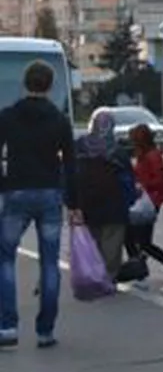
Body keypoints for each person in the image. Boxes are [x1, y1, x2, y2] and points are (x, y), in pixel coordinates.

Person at [0, 60, 80, 348]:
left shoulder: (7, 116)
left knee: (5, 257)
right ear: (50, 85)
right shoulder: (59, 120)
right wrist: (74, 203)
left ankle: (8, 326)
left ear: (25, 83)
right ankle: (45, 331)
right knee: (49, 262)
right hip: (49, 193)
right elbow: (70, 164)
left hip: (16, 191)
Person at [75, 112, 137, 282]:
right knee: (112, 244)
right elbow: (128, 182)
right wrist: (130, 202)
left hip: (86, 203)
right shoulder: (117, 152)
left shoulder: (80, 147)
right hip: (114, 206)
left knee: (91, 241)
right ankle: (107, 278)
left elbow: (70, 174)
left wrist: (71, 201)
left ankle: (91, 276)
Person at [124, 123, 163, 270]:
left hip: (150, 200)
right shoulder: (145, 155)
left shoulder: (150, 156)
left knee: (141, 240)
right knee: (138, 238)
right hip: (149, 199)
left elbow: (158, 180)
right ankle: (140, 263)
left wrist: (142, 184)